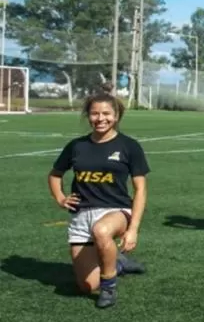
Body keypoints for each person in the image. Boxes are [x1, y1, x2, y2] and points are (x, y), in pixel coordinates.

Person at [47, 92, 149, 309]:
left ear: (117, 115)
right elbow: (55, 175)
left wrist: (133, 229)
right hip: (82, 215)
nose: (100, 118)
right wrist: (60, 198)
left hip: (117, 211)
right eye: (94, 113)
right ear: (88, 116)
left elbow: (140, 189)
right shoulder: (76, 146)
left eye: (106, 113)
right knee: (86, 286)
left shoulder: (129, 146)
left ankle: (109, 287)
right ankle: (118, 263)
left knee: (102, 231)